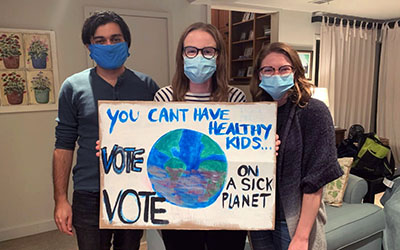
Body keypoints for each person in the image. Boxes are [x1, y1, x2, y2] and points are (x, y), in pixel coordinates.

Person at [52, 11, 159, 250]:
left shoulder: (147, 86)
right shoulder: (73, 87)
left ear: (127, 42)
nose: (109, 45)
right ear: (89, 46)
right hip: (90, 192)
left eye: (115, 38)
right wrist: (60, 199)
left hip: (134, 189)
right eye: (100, 41)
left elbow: (159, 138)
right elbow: (63, 145)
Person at [154, 22, 247, 250]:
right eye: (191, 51)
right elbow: (155, 152)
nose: (199, 57)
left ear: (218, 56)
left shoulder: (235, 98)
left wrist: (265, 148)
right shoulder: (164, 98)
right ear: (182, 55)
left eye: (207, 51)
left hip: (225, 208)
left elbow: (244, 152)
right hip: (179, 206)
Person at [248, 42, 343, 250]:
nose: (276, 75)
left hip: (293, 221)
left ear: (296, 72)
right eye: (268, 70)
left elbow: (316, 178)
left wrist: (301, 237)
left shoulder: (313, 111)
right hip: (260, 219)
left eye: (284, 69)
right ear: (259, 75)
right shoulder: (255, 114)